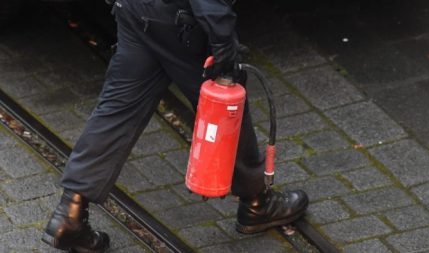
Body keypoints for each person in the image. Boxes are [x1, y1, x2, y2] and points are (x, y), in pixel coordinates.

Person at [41, 0, 309, 252]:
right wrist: (224, 43)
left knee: (117, 110)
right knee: (226, 106)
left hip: (135, 11)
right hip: (179, 24)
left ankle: (71, 211)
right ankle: (256, 202)